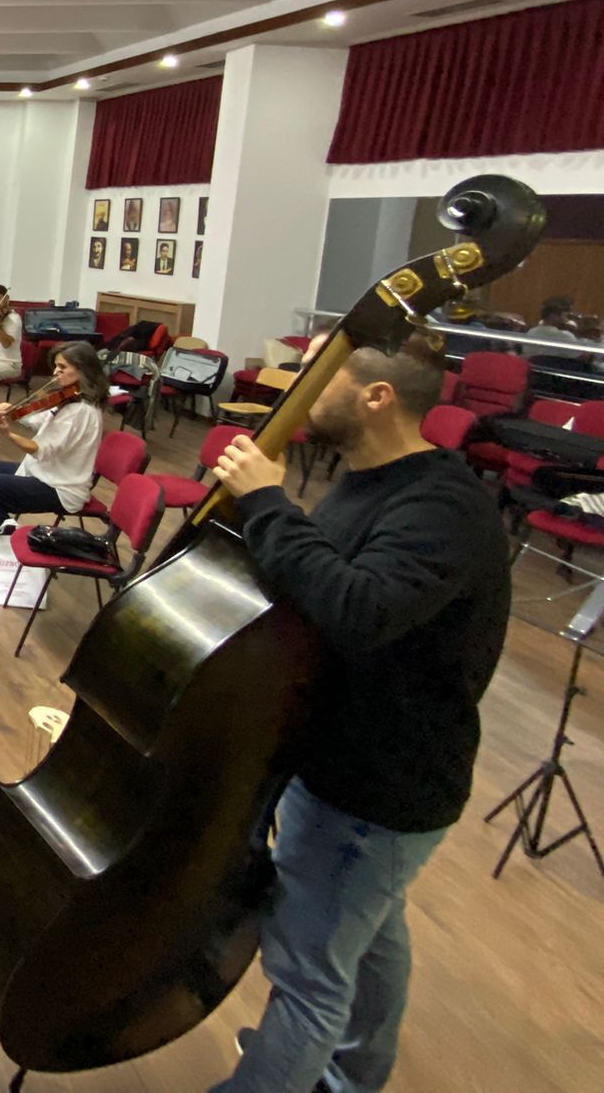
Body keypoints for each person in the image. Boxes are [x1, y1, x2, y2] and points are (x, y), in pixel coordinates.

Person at [208, 335, 509, 1093]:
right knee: (367, 933)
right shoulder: (368, 481)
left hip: (380, 782)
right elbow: (318, 578)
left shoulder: (442, 506)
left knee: (308, 975)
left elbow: (358, 609)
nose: (298, 390)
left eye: (319, 375)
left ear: (377, 397)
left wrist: (267, 502)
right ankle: (355, 1077)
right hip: (342, 758)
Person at [0, 341, 106, 544]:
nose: (55, 372)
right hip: (43, 472)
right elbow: (37, 420)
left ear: (83, 370)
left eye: (62, 367)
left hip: (60, 487)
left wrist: (9, 435)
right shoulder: (69, 399)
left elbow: (41, 450)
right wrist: (9, 408)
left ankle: (13, 542)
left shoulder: (80, 411)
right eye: (56, 366)